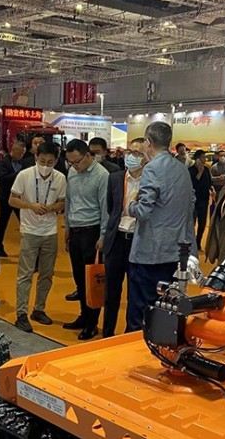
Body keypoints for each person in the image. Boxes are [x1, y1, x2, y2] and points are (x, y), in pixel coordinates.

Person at [126, 122, 195, 333]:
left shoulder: (152, 168)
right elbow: (189, 204)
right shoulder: (182, 169)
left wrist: (130, 205)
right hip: (175, 251)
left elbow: (144, 211)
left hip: (150, 252)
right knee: (166, 307)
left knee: (141, 311)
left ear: (148, 142)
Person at [9, 143, 66, 332]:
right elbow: (12, 199)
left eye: (50, 162)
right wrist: (30, 206)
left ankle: (39, 309)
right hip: (29, 231)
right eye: (42, 161)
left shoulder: (60, 178)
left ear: (56, 161)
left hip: (50, 232)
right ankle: (21, 314)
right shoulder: (24, 175)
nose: (45, 165)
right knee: (25, 274)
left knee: (46, 274)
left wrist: (51, 208)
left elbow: (62, 202)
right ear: (36, 158)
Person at [63, 139, 109, 340]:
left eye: (78, 161)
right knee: (79, 278)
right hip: (75, 230)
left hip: (92, 232)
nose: (75, 166)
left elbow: (106, 208)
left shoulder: (102, 176)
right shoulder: (72, 172)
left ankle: (92, 323)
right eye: (71, 162)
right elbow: (69, 201)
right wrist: (67, 227)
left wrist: (103, 235)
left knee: (92, 280)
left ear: (89, 155)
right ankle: (83, 315)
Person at [101, 138, 147, 338]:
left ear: (146, 158)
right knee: (111, 291)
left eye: (137, 153)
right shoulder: (115, 178)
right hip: (117, 239)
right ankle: (107, 333)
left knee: (135, 293)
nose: (131, 157)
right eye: (129, 152)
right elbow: (111, 208)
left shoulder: (150, 181)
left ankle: (130, 334)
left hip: (138, 241)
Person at [0, 139, 27, 257]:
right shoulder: (4, 162)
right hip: (5, 197)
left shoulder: (23, 163)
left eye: (23, 153)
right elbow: (2, 178)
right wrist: (18, 174)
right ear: (14, 151)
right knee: (3, 221)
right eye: (20, 152)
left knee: (24, 221)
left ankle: (28, 246)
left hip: (19, 197)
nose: (22, 155)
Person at [189, 149, 212, 251]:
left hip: (204, 200)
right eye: (203, 157)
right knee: (192, 223)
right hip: (194, 201)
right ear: (197, 159)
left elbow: (209, 182)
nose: (205, 159)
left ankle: (198, 242)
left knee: (202, 223)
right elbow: (192, 185)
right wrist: (200, 172)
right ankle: (191, 243)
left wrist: (211, 189)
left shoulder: (206, 169)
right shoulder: (191, 170)